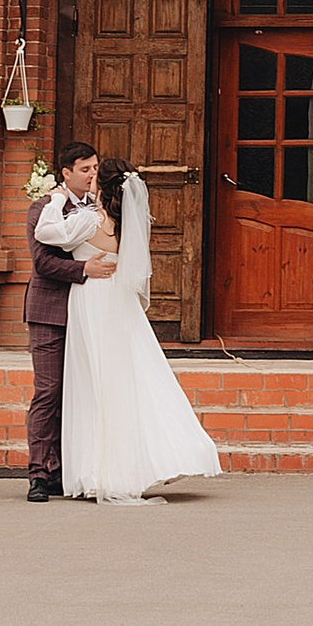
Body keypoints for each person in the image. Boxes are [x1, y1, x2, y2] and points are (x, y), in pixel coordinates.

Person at [59, 157, 222, 503]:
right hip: (119, 303)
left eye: (94, 175)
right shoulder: (125, 224)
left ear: (101, 185)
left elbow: (49, 236)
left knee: (96, 382)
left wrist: (58, 196)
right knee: (131, 376)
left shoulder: (87, 221)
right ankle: (136, 462)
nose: (89, 179)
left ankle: (100, 471)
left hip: (93, 300)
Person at [23, 147, 113, 505]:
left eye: (95, 168)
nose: (92, 174)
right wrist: (83, 270)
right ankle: (38, 474)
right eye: (85, 169)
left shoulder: (99, 209)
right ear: (66, 173)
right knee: (49, 392)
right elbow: (42, 262)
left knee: (78, 393)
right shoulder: (44, 206)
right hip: (49, 312)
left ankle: (66, 469)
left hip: (88, 313)